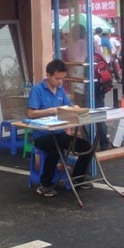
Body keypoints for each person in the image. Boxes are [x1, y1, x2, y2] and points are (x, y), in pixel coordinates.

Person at [26, 58, 94, 197]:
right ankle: (44, 185)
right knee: (55, 149)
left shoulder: (61, 90)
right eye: (57, 78)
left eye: (62, 78)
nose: (60, 82)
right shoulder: (37, 90)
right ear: (48, 75)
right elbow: (30, 113)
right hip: (42, 135)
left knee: (86, 146)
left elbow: (67, 107)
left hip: (59, 133)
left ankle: (78, 178)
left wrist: (74, 109)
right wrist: (51, 110)